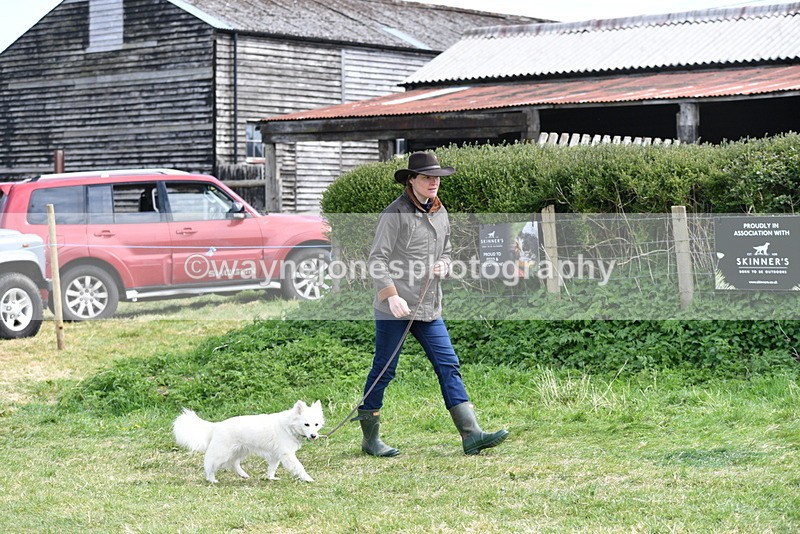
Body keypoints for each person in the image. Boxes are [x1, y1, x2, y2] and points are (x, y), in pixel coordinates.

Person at [354, 151, 509, 457]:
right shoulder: (394, 214)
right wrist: (391, 295)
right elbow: (377, 260)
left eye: (436, 177)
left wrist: (446, 264)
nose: (433, 182)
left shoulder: (440, 210)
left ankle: (471, 435)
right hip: (395, 309)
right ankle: (370, 440)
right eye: (426, 177)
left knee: (448, 364)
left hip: (428, 307)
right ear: (411, 180)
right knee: (384, 370)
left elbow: (447, 250)